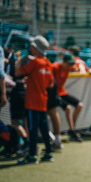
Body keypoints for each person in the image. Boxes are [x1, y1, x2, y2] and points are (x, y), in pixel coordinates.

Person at [15, 36, 54, 164]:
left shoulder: (36, 62)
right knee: (44, 128)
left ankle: (32, 156)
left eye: (32, 46)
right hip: (43, 100)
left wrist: (19, 59)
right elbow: (50, 84)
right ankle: (48, 153)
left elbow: (18, 73)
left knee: (32, 130)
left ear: (36, 48)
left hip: (32, 102)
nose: (30, 48)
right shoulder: (48, 63)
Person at [52, 54, 84, 142]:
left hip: (62, 92)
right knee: (68, 108)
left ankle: (71, 129)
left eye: (71, 64)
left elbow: (79, 67)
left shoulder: (68, 68)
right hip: (54, 93)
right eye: (69, 64)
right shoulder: (54, 67)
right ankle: (72, 132)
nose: (70, 66)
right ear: (63, 61)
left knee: (79, 105)